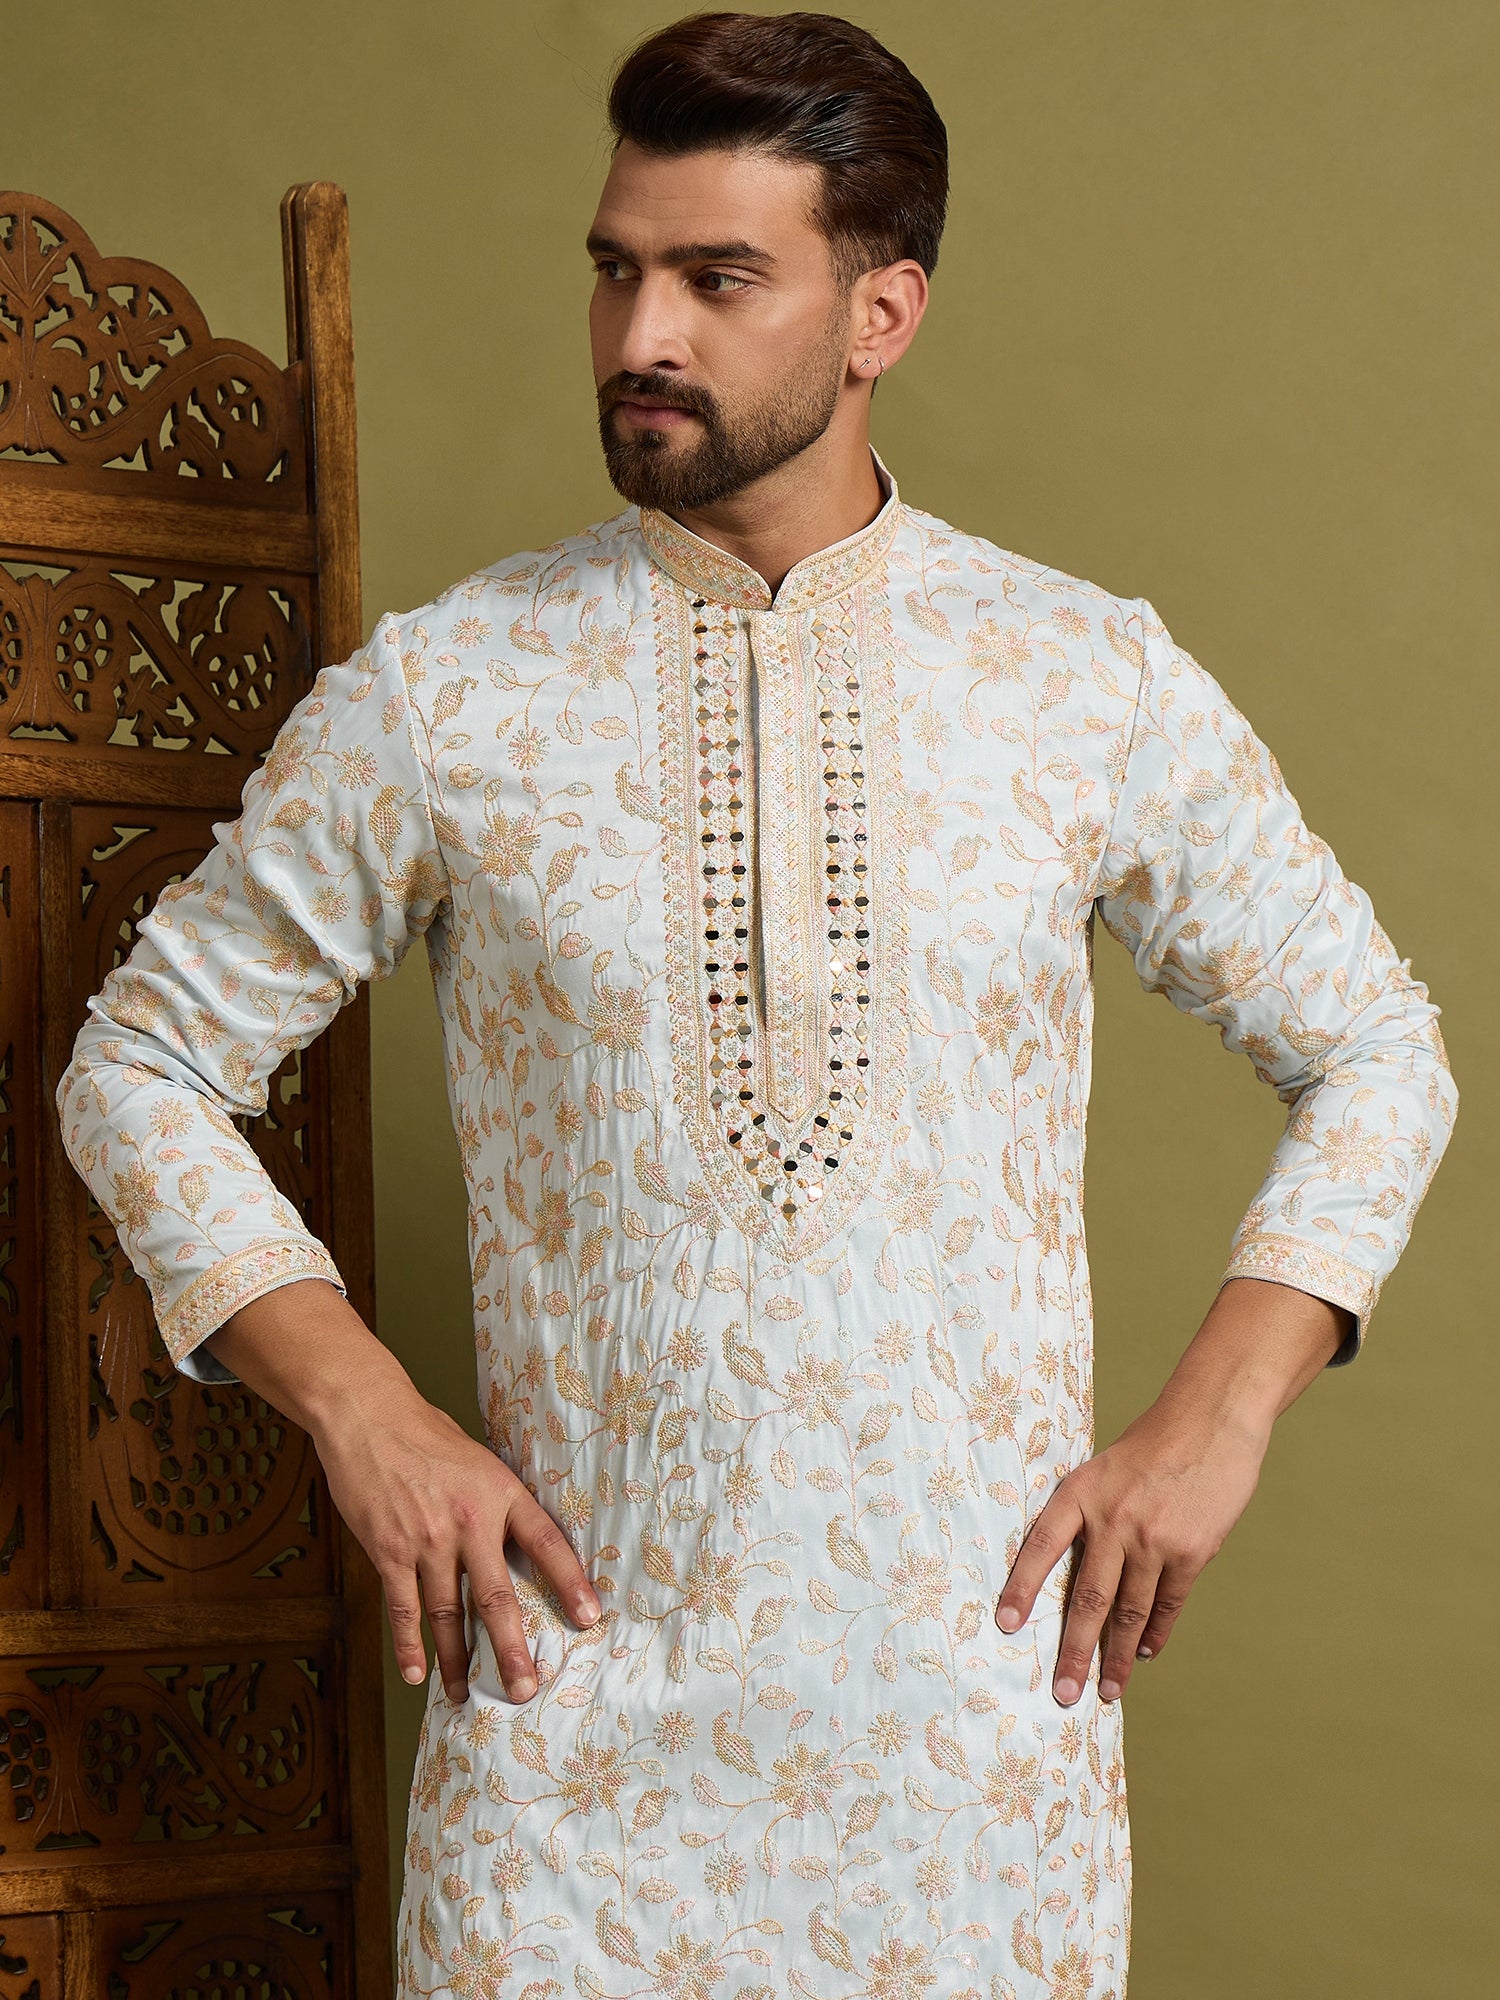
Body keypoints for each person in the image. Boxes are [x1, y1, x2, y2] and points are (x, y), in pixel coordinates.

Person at [55, 11, 1456, 1996]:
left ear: (882, 312)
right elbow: (139, 1065)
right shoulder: (451, 693)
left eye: (720, 279)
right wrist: (363, 1411)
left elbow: (1378, 1046)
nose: (642, 333)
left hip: (977, 1769)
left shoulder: (1080, 680)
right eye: (617, 268)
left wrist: (1217, 1418)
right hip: (567, 1754)